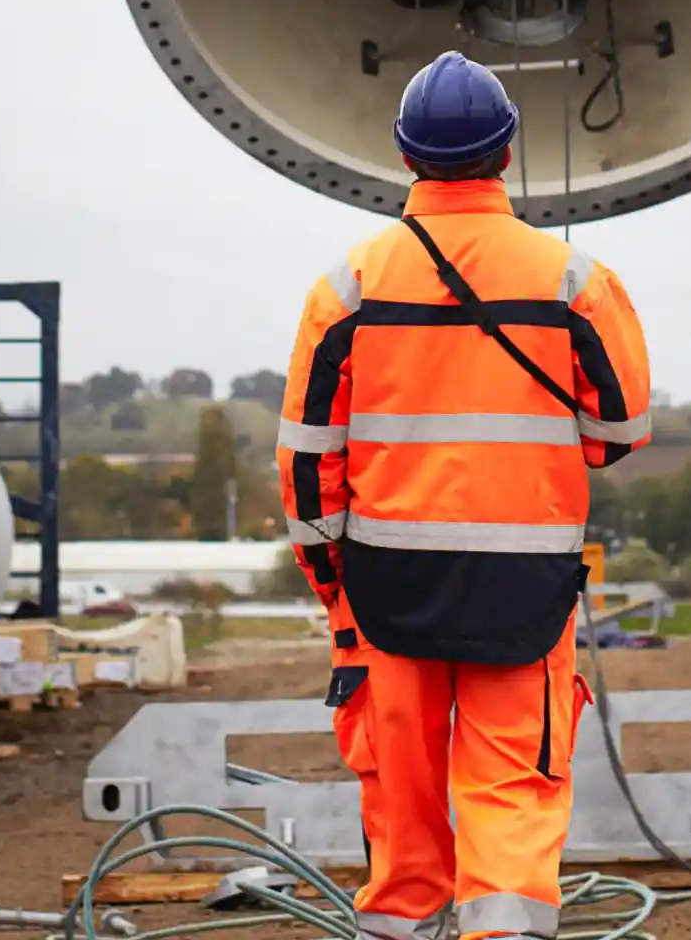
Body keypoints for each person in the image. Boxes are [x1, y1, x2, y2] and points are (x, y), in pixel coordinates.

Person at [275, 51, 651, 940]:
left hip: (386, 593)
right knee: (510, 801)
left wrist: (336, 589)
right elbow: (622, 432)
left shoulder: (349, 288)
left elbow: (305, 466)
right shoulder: (573, 283)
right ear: (507, 154)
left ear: (406, 158)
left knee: (405, 829)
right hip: (523, 595)